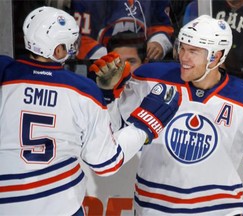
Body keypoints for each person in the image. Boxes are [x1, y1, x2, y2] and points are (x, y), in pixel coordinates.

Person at [89, 15, 243, 215]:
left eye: (193, 51)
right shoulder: (150, 78)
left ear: (216, 56)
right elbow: (114, 129)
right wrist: (109, 93)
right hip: (153, 209)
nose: (183, 56)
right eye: (182, 47)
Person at [0, 6, 179, 215]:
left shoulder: (4, 73)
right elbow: (105, 163)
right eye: (69, 44)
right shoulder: (82, 90)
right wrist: (144, 125)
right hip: (60, 206)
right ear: (58, 51)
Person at [70, 0, 174, 61]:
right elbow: (79, 39)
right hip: (100, 72)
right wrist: (108, 58)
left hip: (142, 67)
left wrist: (159, 42)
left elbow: (163, 26)